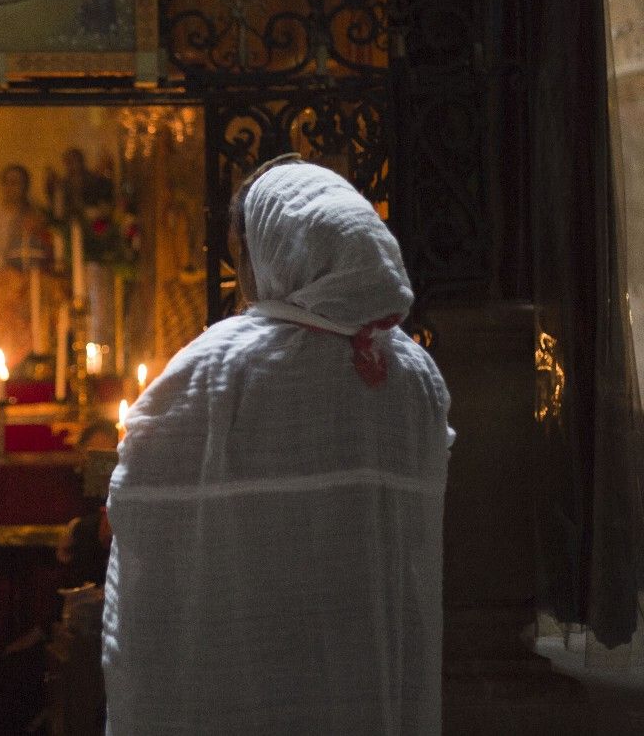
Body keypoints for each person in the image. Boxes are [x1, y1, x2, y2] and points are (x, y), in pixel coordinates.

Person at [102, 157, 452, 734]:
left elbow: (141, 503)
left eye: (242, 254)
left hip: (246, 660)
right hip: (363, 653)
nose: (242, 273)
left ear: (280, 247)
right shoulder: (412, 370)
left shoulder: (215, 368)